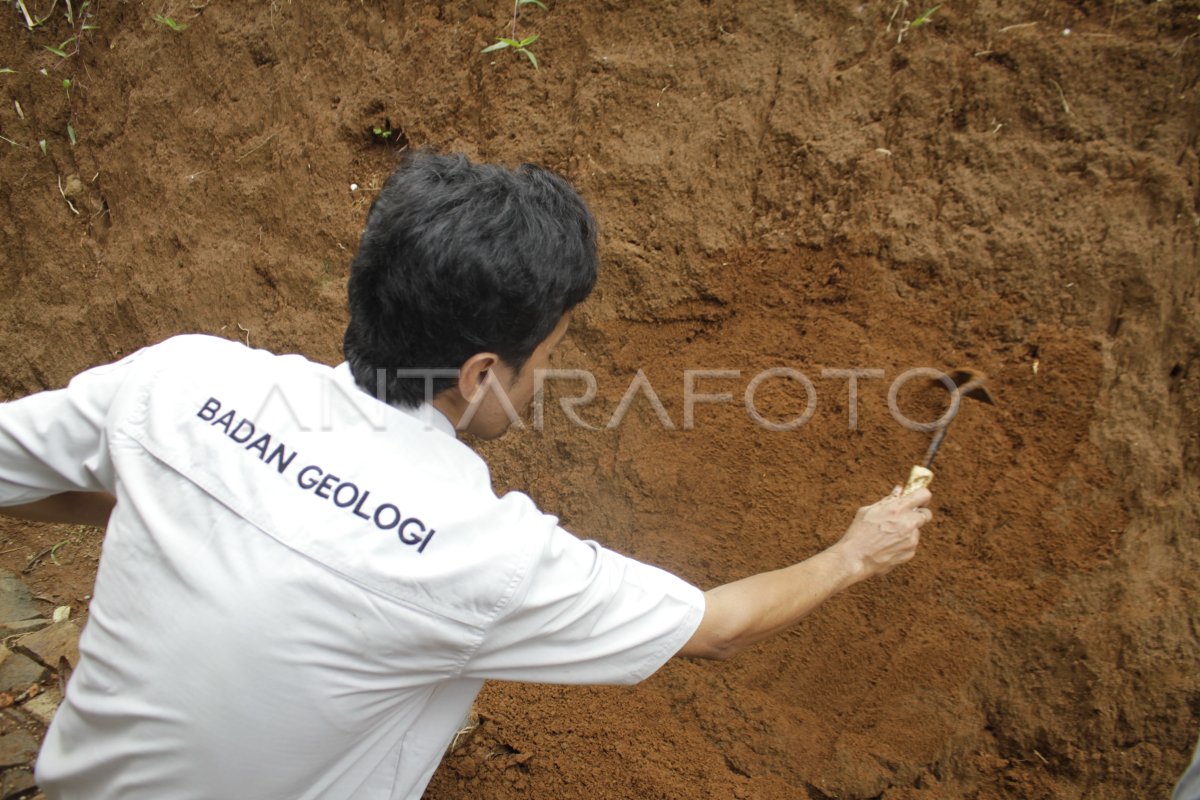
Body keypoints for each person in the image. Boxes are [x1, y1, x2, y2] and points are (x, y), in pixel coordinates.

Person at [0, 151, 931, 800]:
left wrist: (165, 494)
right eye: (549, 352)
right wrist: (856, 553)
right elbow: (719, 628)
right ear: (482, 372)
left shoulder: (181, 380)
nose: (549, 373)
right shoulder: (481, 556)